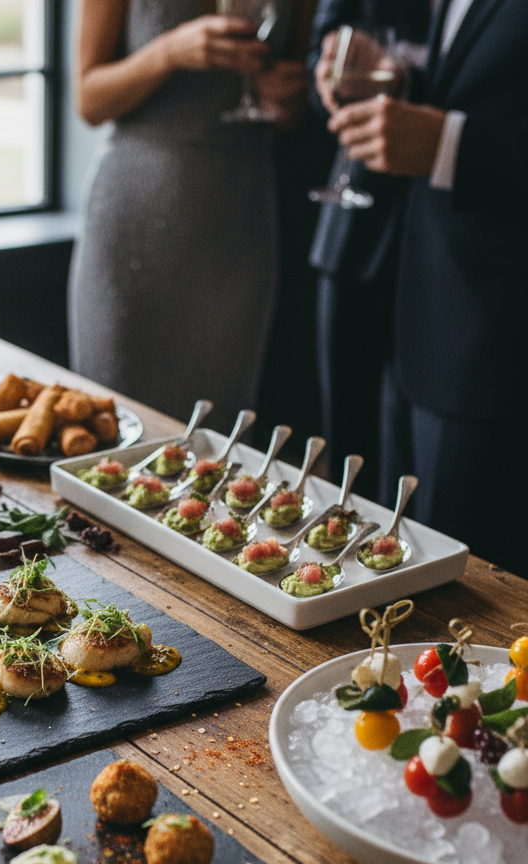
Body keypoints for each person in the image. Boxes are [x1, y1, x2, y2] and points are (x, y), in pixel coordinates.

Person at [324, 0, 528, 574]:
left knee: (477, 601)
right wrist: (402, 76)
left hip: (498, 342)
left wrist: (449, 146)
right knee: (399, 573)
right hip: (413, 309)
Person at [67, 0, 308, 433]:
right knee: (110, 422)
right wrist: (169, 52)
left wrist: (284, 98)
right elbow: (89, 100)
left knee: (218, 429)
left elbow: (293, 109)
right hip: (136, 209)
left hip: (237, 212)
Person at [307, 1, 430, 496]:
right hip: (355, 226)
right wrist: (328, 74)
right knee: (349, 448)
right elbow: (327, 58)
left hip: (469, 239)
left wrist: (409, 77)